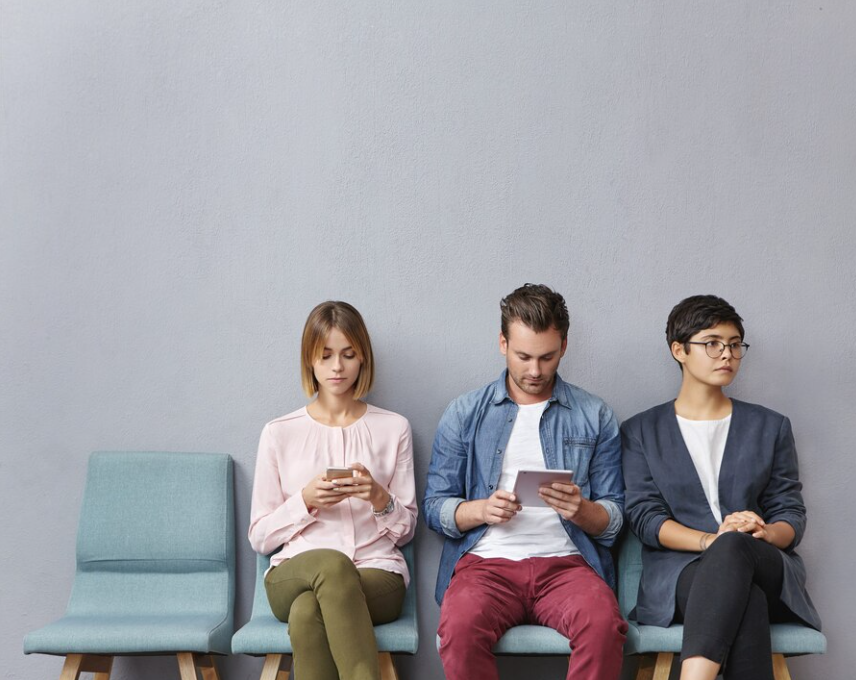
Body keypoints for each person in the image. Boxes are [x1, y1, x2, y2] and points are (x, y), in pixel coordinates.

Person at [423, 284, 628, 680]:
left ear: (564, 346)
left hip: (568, 565)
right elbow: (434, 507)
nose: (535, 371)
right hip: (486, 565)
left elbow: (615, 516)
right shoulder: (464, 413)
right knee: (459, 629)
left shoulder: (595, 415)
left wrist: (582, 511)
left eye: (546, 357)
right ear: (502, 343)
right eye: (523, 356)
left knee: (603, 626)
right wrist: (479, 509)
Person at [621, 295, 821, 680]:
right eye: (712, 343)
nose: (726, 354)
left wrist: (764, 532)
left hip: (763, 559)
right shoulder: (641, 431)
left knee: (736, 550)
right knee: (748, 600)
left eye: (734, 345)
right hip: (682, 573)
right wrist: (709, 541)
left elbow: (791, 514)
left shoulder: (770, 426)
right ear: (679, 350)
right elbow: (644, 517)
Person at [248, 301, 417, 680]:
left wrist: (378, 497)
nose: (337, 367)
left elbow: (407, 530)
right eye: (325, 356)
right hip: (293, 574)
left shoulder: (394, 429)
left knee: (307, 612)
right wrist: (305, 502)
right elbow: (259, 537)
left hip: (378, 574)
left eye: (347, 354)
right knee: (330, 565)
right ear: (309, 359)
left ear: (363, 359)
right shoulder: (279, 432)